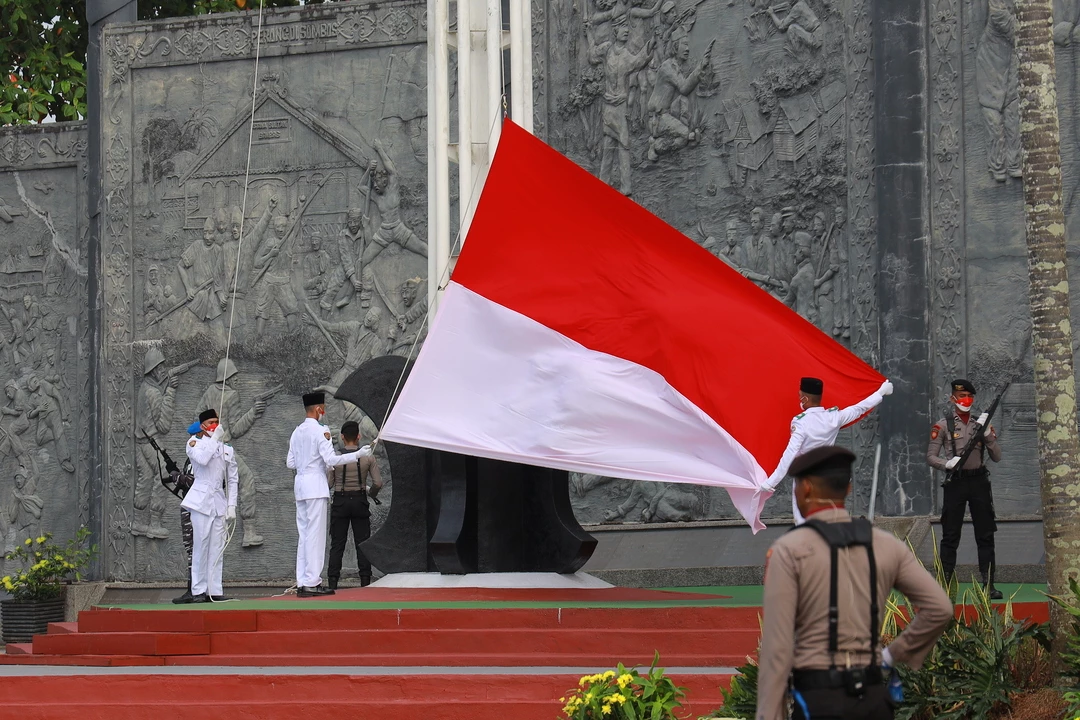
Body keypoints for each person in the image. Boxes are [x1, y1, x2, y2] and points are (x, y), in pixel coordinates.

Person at [756, 446, 953, 720]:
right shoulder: (886, 545)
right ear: (848, 489)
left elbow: (778, 647)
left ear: (807, 488)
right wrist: (892, 655)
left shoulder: (790, 550)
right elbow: (940, 608)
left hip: (817, 699)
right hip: (872, 698)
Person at [765, 377, 893, 524]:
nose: (799, 399)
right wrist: (880, 392)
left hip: (807, 479)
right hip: (828, 477)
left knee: (804, 523)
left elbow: (790, 453)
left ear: (805, 398)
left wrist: (771, 482)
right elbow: (859, 408)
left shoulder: (800, 422)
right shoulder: (833, 417)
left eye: (800, 396)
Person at [286, 392, 372, 597]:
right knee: (315, 536)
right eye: (322, 408)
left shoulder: (296, 432)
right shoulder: (321, 431)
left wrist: (306, 463)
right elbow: (332, 460)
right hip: (315, 486)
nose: (324, 411)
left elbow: (290, 463)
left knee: (304, 535)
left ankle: (302, 581)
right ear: (317, 409)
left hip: (301, 486)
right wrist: (358, 454)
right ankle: (312, 582)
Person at [927, 378, 1003, 599]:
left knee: (986, 534)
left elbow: (997, 457)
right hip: (956, 482)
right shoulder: (942, 425)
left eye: (969, 397)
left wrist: (988, 434)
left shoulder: (982, 424)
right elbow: (931, 456)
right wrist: (946, 464)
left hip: (979, 481)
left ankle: (989, 585)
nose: (966, 400)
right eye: (961, 397)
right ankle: (944, 584)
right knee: (950, 535)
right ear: (953, 398)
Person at [182, 409, 238, 603]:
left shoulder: (227, 449)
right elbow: (203, 459)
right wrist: (215, 438)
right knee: (201, 546)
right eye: (210, 422)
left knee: (217, 547)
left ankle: (214, 589)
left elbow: (232, 480)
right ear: (203, 426)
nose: (214, 425)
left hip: (219, 502)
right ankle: (198, 590)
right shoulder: (194, 443)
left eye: (216, 421)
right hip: (201, 501)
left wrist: (232, 506)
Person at [326, 421, 384, 590]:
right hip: (360, 501)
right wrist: (370, 493)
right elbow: (378, 483)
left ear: (342, 438)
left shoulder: (335, 458)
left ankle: (332, 582)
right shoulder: (368, 457)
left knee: (337, 543)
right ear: (358, 436)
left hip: (340, 502)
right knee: (363, 542)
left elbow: (329, 483)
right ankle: (365, 580)